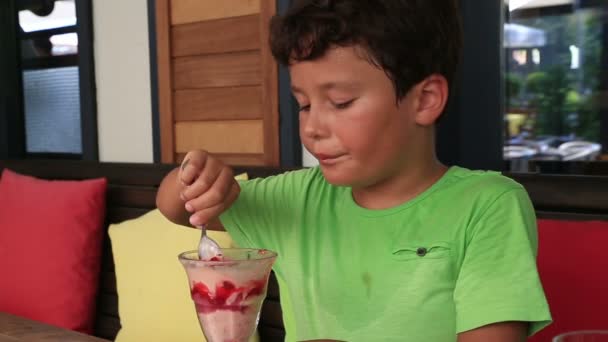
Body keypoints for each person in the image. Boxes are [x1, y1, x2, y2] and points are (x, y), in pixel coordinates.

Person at [156, 1, 551, 341]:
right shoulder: (298, 199)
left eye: (340, 102)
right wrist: (195, 175)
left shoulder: (486, 206)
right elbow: (174, 207)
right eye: (304, 104)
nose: (312, 128)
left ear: (425, 100)